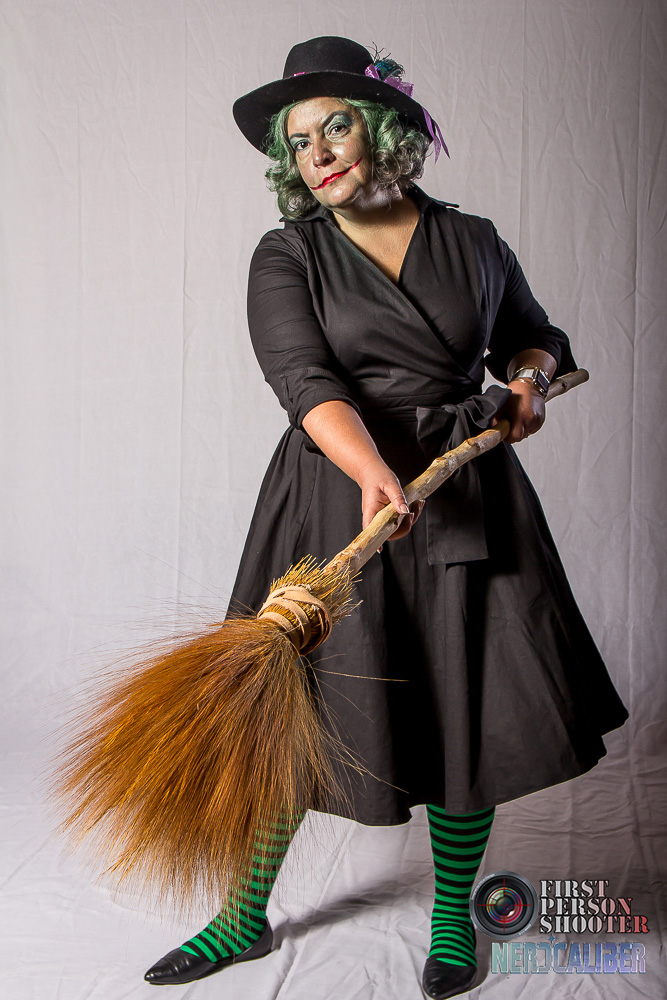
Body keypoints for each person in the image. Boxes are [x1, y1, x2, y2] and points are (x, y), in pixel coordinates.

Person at [143, 36, 628, 999]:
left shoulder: (474, 240)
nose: (317, 153)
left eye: (336, 126)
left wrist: (528, 383)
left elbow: (532, 335)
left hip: (465, 495)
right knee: (285, 708)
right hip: (335, 496)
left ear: (384, 128)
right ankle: (242, 917)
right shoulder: (287, 254)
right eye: (298, 141)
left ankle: (451, 920)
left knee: (463, 707)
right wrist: (371, 470)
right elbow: (302, 378)